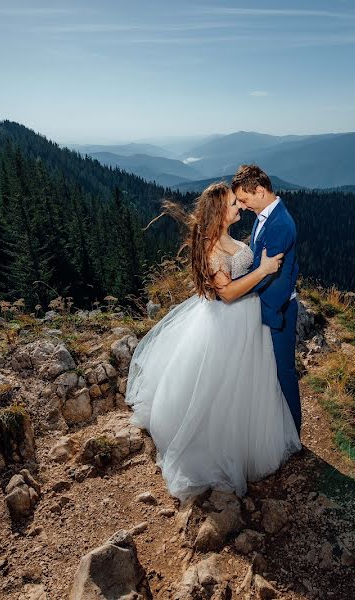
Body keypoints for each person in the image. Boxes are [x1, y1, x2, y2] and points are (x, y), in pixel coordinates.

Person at [125, 182, 302, 502]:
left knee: (247, 383)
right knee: (224, 386)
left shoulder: (225, 239)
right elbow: (228, 292)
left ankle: (247, 436)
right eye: (234, 203)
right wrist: (263, 270)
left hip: (247, 319)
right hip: (229, 321)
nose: (239, 207)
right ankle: (222, 448)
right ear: (220, 212)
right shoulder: (211, 249)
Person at [231, 164, 302, 436]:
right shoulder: (264, 215)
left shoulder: (281, 225)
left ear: (259, 191)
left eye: (245, 199)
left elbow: (266, 275)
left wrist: (230, 292)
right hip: (263, 305)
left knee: (284, 372)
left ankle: (293, 434)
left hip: (277, 309)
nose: (243, 206)